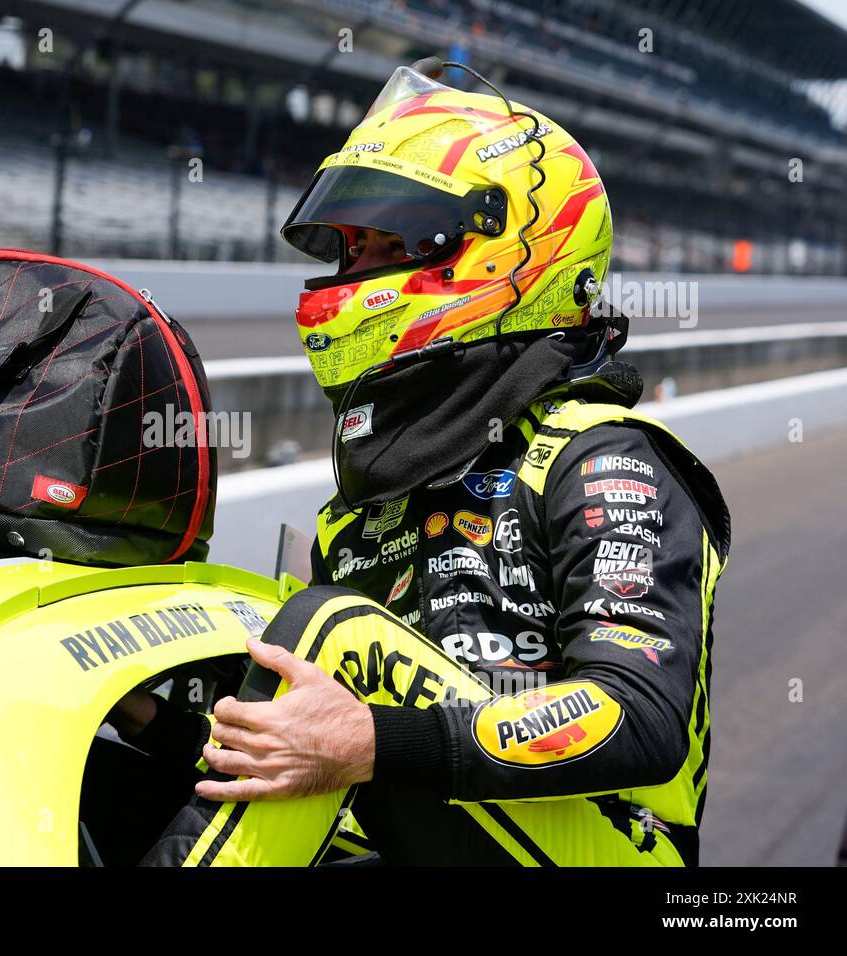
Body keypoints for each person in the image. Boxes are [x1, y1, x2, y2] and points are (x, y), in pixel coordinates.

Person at [111, 63, 729, 867]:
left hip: (605, 844)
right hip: (415, 834)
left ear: (499, 254)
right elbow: (313, 756)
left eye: (386, 247)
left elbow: (638, 715)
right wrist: (156, 724)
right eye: (351, 249)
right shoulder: (365, 510)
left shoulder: (599, 456)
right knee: (114, 777)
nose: (350, 278)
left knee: (330, 629)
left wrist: (372, 737)